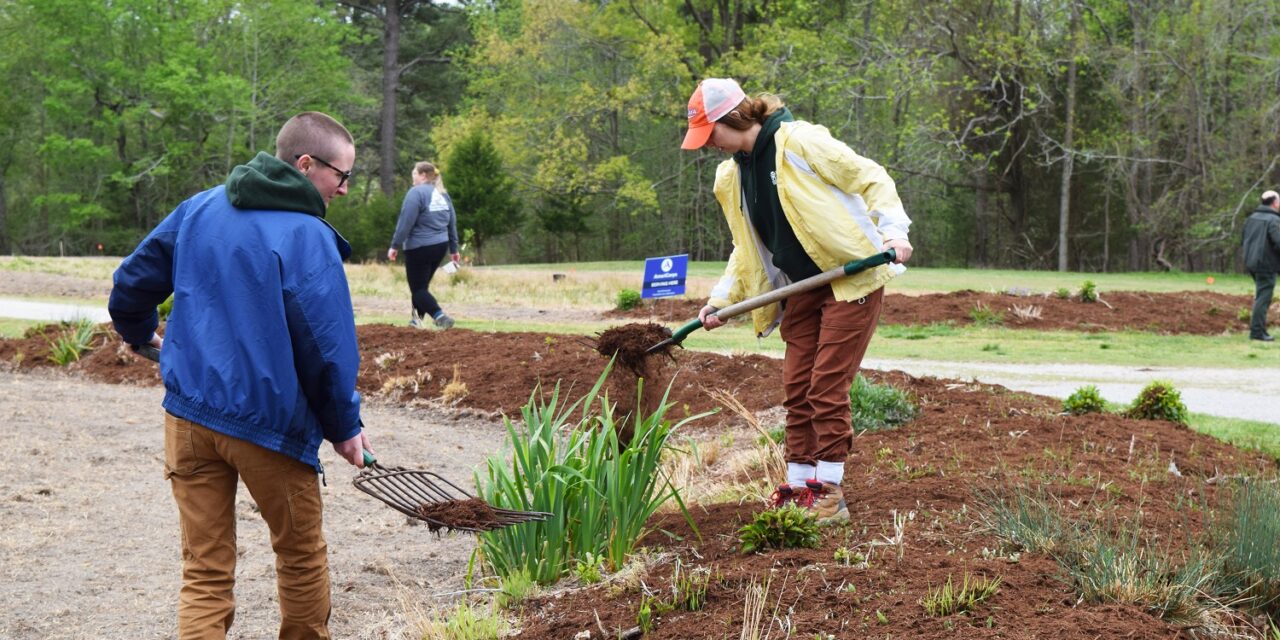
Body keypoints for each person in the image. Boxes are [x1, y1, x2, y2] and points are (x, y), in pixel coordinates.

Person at [108, 111, 373, 639]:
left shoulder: (201, 207)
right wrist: (344, 425)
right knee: (299, 554)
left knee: (204, 566)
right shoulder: (307, 235)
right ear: (306, 164)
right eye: (341, 177)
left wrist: (140, 333)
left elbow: (132, 281)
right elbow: (326, 347)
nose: (343, 190)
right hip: (266, 425)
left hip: (188, 420)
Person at [681, 78, 913, 523]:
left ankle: (828, 490)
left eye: (711, 133)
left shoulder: (800, 141)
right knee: (796, 387)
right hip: (800, 287)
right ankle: (798, 482)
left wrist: (894, 232)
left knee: (826, 385)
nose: (709, 144)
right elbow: (744, 247)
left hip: (850, 278)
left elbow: (871, 177)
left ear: (734, 117)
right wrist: (720, 299)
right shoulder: (731, 173)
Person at [387, 161, 460, 329]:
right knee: (422, 287)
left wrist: (395, 245)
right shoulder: (442, 194)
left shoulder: (416, 193)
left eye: (414, 173)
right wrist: (454, 249)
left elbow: (406, 222)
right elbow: (452, 223)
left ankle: (439, 316)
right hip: (440, 246)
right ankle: (416, 321)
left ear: (423, 175)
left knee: (418, 289)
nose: (412, 177)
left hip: (419, 247)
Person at [1243, 189, 1280, 341]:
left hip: (1252, 262)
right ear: (1275, 203)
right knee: (1263, 298)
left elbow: (1243, 239)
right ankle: (1257, 332)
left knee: (1261, 297)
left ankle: (1259, 330)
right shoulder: (1274, 220)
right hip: (1266, 264)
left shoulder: (1251, 218)